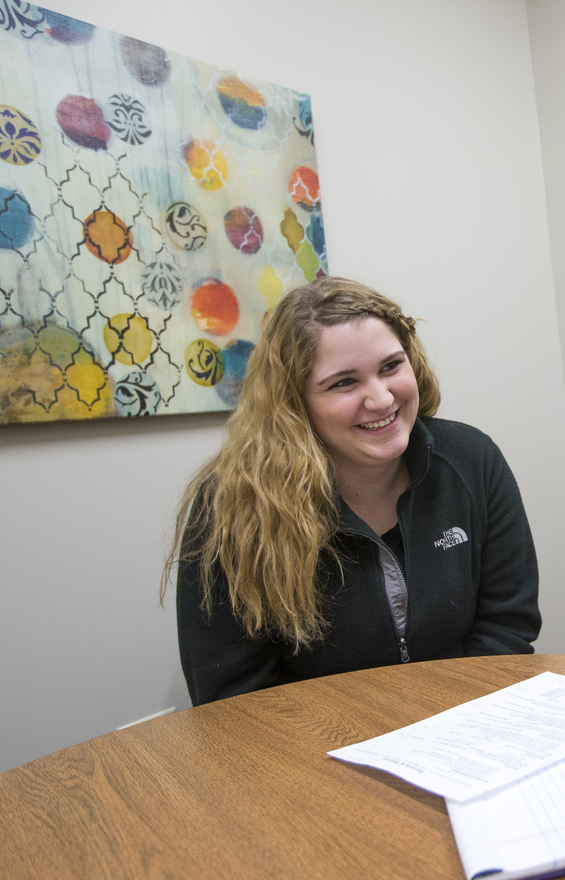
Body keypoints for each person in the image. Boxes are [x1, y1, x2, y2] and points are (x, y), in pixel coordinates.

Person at [167, 276, 540, 705]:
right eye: (344, 382)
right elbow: (233, 697)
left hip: (466, 725)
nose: (381, 399)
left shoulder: (473, 460)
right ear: (293, 401)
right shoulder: (233, 506)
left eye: (390, 367)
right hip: (314, 755)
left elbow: (507, 626)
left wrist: (447, 729)